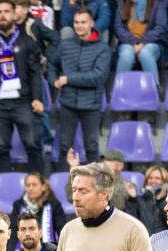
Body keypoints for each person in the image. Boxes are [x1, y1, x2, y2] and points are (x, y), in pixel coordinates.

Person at [0, 0, 44, 174]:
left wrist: (37, 98)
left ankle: (39, 189)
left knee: (33, 145)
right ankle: (5, 191)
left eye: (7, 11)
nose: (2, 15)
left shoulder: (28, 42)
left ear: (15, 15)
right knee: (0, 148)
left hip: (23, 102)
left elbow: (35, 73)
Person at [49, 7, 110, 166]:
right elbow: (52, 64)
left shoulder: (103, 48)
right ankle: (62, 185)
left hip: (91, 105)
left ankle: (95, 186)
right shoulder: (65, 45)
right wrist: (53, 80)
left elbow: (97, 77)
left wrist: (68, 79)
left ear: (91, 23)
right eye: (76, 22)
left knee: (91, 147)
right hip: (68, 103)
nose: (79, 26)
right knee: (64, 147)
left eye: (83, 22)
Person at [8, 171, 66, 251]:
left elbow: (62, 230)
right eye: (28, 185)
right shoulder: (18, 205)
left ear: (43, 187)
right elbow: (13, 231)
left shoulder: (54, 205)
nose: (31, 188)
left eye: (34, 185)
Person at [114, 0, 167, 85]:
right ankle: (118, 90)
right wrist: (134, 42)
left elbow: (160, 28)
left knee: (145, 53)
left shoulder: (157, 3)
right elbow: (118, 28)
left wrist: (142, 42)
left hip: (152, 42)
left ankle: (155, 90)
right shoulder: (122, 3)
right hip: (128, 42)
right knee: (126, 54)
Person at [125, 164, 168, 235]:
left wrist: (161, 200)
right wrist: (132, 199)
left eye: (157, 178)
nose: (153, 181)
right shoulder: (139, 200)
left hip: (163, 241)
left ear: (164, 181)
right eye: (150, 178)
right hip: (144, 241)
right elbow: (131, 222)